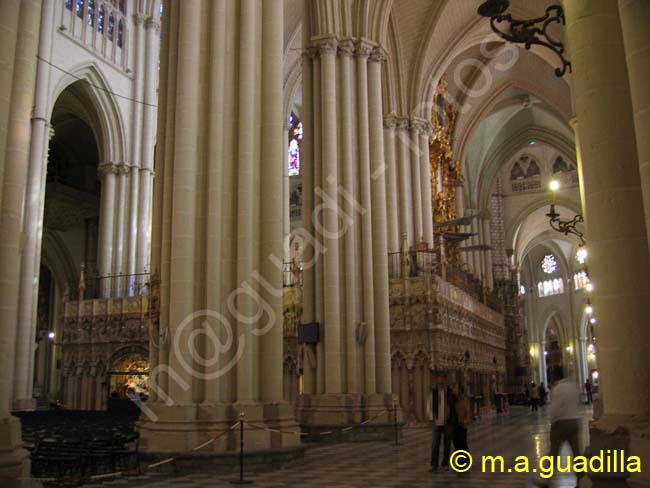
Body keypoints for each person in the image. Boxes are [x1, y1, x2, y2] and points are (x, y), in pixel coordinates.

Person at [427, 373, 456, 472]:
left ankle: (445, 463)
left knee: (447, 443)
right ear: (437, 380)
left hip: (447, 421)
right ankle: (433, 464)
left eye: (443, 378)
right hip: (437, 420)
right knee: (435, 443)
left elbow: (454, 405)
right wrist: (432, 417)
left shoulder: (449, 392)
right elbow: (429, 405)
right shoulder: (433, 392)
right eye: (439, 378)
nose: (441, 381)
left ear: (445, 379)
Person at [453, 384, 471, 451]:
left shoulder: (464, 400)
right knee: (456, 444)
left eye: (455, 388)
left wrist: (465, 420)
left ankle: (465, 460)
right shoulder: (453, 400)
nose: (454, 390)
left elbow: (468, 411)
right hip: (454, 425)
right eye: (454, 388)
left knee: (463, 444)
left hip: (462, 424)